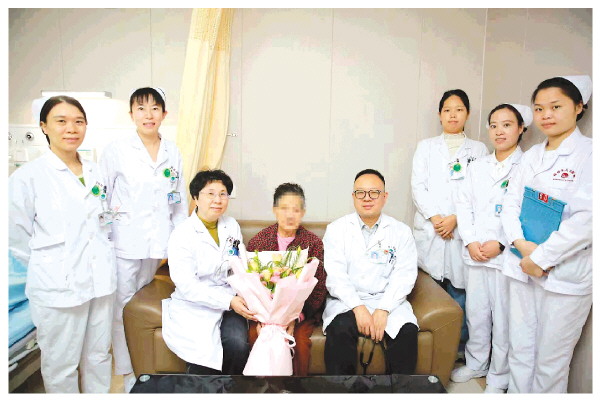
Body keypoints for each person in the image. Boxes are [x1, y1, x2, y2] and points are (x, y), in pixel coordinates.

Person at [8, 96, 116, 392]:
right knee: (61, 366)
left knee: (99, 356)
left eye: (78, 121)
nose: (71, 128)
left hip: (100, 281)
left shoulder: (96, 172)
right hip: (57, 287)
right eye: (61, 121)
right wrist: (52, 264)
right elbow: (16, 238)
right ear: (44, 126)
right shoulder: (28, 177)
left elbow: (104, 222)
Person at [501, 76, 592, 393]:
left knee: (551, 361)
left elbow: (587, 220)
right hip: (523, 265)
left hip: (564, 274)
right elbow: (510, 204)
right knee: (520, 349)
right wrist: (521, 245)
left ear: (578, 107)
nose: (546, 115)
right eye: (539, 108)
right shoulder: (531, 156)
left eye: (556, 106)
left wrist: (541, 257)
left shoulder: (590, 154)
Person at [99, 87, 188, 391]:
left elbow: (177, 199)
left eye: (154, 108)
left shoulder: (172, 151)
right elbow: (102, 196)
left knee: (140, 304)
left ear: (164, 114)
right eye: (141, 108)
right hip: (123, 241)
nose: (148, 115)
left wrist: (179, 241)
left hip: (157, 243)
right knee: (122, 307)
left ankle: (143, 369)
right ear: (131, 114)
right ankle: (128, 373)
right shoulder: (116, 150)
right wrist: (105, 237)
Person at [451, 103, 532, 393]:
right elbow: (464, 206)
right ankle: (476, 363)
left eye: (507, 125)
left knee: (504, 319)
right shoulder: (478, 166)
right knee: (477, 313)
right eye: (494, 125)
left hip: (505, 256)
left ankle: (499, 376)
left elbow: (524, 213)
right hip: (476, 253)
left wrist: (500, 243)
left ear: (520, 129)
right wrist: (471, 241)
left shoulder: (526, 166)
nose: (499, 131)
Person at [411, 89, 488, 356]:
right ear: (439, 114)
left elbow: (479, 190)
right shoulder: (426, 147)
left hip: (460, 229)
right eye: (447, 110)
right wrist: (436, 219)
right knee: (429, 290)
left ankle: (457, 351)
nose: (452, 115)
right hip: (432, 229)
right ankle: (427, 353)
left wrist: (455, 219)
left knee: (459, 292)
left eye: (459, 109)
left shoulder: (478, 150)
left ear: (467, 114)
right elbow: (418, 186)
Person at [322, 169, 419, 375]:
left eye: (374, 192)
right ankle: (341, 390)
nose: (367, 198)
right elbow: (335, 276)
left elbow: (405, 276)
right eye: (361, 193)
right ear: (353, 196)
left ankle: (399, 390)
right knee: (340, 329)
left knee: (406, 332)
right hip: (347, 301)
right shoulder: (336, 230)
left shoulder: (401, 232)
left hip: (387, 299)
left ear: (385, 196)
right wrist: (358, 307)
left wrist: (384, 309)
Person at [162, 169, 252, 375]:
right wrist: (228, 301)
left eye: (223, 194)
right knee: (202, 355)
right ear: (195, 197)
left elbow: (240, 265)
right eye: (210, 194)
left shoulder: (231, 225)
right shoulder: (182, 234)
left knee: (237, 344)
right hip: (195, 304)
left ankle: (230, 389)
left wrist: (243, 294)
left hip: (231, 298)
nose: (217, 200)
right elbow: (187, 285)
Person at [246, 183, 327, 376]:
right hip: (265, 314)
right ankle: (261, 388)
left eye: (296, 210)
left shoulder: (313, 243)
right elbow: (251, 284)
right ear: (275, 210)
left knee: (299, 341)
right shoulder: (258, 242)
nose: (290, 215)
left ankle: (295, 388)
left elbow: (319, 288)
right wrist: (265, 318)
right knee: (255, 337)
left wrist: (294, 317)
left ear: (303, 213)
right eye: (284, 209)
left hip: (301, 314)